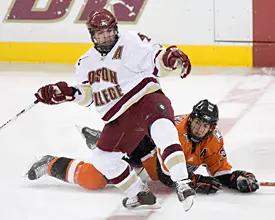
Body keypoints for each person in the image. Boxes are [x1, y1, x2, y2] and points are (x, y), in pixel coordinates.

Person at [33, 8, 195, 211]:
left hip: (146, 99)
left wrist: (169, 58)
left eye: (109, 30)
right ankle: (139, 193)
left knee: (163, 129)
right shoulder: (85, 62)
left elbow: (157, 59)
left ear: (116, 29)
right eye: (100, 33)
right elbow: (87, 96)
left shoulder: (132, 41)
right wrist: (64, 93)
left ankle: (182, 182)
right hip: (119, 117)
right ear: (92, 35)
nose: (106, 35)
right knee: (103, 159)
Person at [27, 99, 259, 196]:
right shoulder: (174, 130)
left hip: (150, 159)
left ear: (212, 127)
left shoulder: (214, 140)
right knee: (93, 179)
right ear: (191, 119)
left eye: (205, 125)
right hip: (139, 146)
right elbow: (164, 173)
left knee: (142, 170)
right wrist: (194, 182)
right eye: (197, 121)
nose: (199, 128)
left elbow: (219, 168)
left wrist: (235, 179)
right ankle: (51, 163)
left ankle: (100, 140)